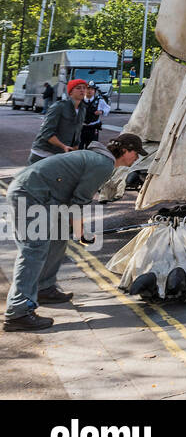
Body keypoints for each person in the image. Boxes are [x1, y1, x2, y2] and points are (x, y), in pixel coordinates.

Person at [4, 134, 147, 331]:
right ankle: (17, 312)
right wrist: (82, 233)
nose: (137, 159)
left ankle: (44, 288)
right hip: (29, 195)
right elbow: (78, 203)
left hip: (43, 197)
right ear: (125, 151)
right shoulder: (103, 165)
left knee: (60, 237)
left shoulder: (100, 160)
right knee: (33, 250)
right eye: (136, 154)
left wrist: (77, 228)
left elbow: (71, 198)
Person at [30, 79, 88, 164]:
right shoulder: (59, 106)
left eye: (84, 88)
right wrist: (63, 146)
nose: (82, 90)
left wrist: (75, 148)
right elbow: (46, 132)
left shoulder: (83, 109)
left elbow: (77, 132)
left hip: (61, 154)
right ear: (70, 92)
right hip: (43, 153)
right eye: (78, 88)